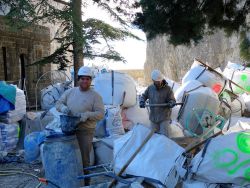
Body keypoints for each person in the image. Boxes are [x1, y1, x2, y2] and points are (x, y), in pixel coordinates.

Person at [56, 66, 104, 185]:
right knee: (69, 156)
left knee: (84, 159)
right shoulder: (70, 92)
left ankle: (85, 183)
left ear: (90, 80)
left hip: (85, 131)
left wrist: (87, 115)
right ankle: (71, 181)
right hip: (69, 129)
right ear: (78, 79)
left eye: (87, 79)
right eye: (82, 79)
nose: (85, 81)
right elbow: (58, 103)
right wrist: (63, 108)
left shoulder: (95, 96)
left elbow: (101, 114)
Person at [139, 69, 176, 136]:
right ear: (153, 80)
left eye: (160, 81)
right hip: (153, 117)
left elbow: (172, 100)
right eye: (157, 82)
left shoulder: (168, 89)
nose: (159, 83)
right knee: (153, 137)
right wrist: (142, 101)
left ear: (162, 79)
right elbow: (144, 96)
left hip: (164, 117)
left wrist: (171, 103)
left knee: (165, 137)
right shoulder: (150, 88)